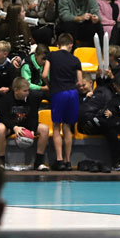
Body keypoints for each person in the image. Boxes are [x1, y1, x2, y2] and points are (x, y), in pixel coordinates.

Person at [43, 33, 83, 171]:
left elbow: (44, 74)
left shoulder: (52, 55)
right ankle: (68, 161)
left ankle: (59, 159)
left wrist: (49, 84)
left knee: (56, 126)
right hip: (72, 93)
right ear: (71, 45)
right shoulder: (75, 59)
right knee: (67, 127)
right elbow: (80, 82)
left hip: (58, 92)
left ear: (58, 44)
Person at [0, 77, 51, 171]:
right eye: (25, 91)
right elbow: (2, 117)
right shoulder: (6, 99)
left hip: (26, 124)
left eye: (28, 90)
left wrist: (32, 130)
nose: (27, 93)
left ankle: (39, 162)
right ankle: (1, 161)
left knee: (44, 129)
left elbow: (34, 116)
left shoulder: (32, 98)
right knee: (0, 128)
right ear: (16, 91)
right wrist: (14, 127)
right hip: (11, 125)